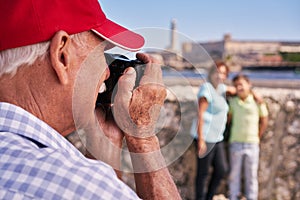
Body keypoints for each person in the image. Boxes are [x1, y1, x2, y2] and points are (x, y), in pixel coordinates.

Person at [0, 0, 181, 199]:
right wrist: (143, 138)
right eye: (102, 53)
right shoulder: (77, 185)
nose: (106, 72)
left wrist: (104, 140)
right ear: (62, 56)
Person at [190, 62, 235, 200]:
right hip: (205, 137)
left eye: (223, 73)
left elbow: (233, 90)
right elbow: (200, 115)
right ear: (211, 74)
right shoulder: (206, 88)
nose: (219, 75)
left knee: (222, 170)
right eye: (217, 72)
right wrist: (201, 141)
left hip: (218, 138)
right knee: (203, 173)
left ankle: (208, 197)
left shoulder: (221, 88)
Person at [227, 74, 269, 200]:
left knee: (251, 175)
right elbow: (229, 119)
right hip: (235, 142)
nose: (239, 87)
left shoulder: (257, 101)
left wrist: (258, 135)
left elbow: (264, 120)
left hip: (252, 143)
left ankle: (252, 197)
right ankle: (233, 197)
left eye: (242, 84)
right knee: (234, 175)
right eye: (236, 85)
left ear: (249, 85)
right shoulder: (233, 102)